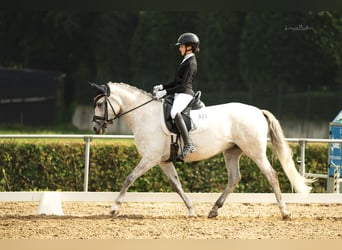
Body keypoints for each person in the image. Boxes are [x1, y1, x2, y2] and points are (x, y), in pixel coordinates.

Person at [153, 32, 200, 160]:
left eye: (181, 46)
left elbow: (183, 86)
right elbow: (176, 82)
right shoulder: (185, 60)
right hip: (180, 92)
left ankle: (188, 144)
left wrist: (165, 93)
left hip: (185, 93)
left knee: (174, 112)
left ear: (189, 47)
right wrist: (163, 86)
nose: (179, 48)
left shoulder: (191, 63)